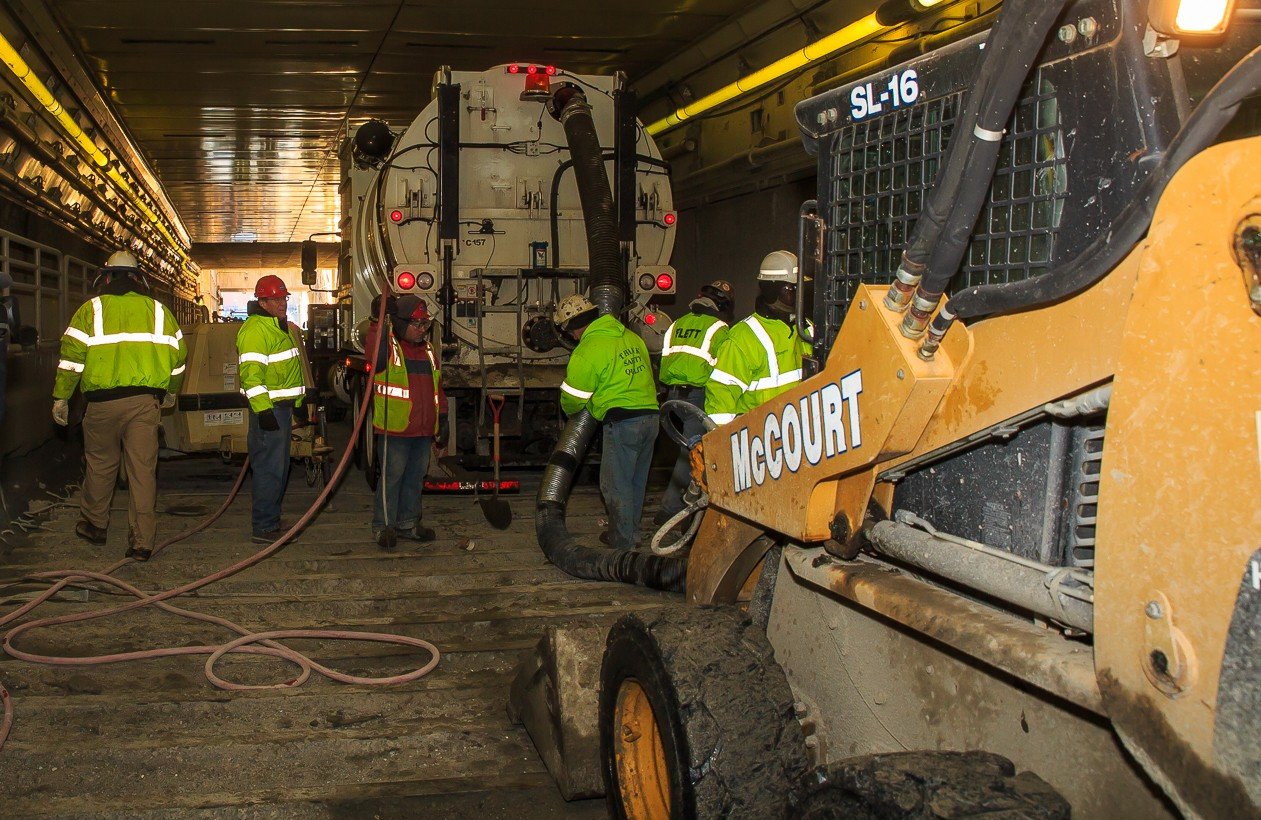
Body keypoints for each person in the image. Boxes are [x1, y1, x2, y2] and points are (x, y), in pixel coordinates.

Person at [51, 250, 187, 561]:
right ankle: (142, 542)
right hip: (144, 403)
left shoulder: (91, 310)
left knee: (101, 464)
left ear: (107, 275)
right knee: (142, 470)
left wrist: (61, 396)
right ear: (139, 278)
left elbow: (71, 360)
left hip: (101, 405)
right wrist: (171, 391)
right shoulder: (159, 311)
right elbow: (179, 358)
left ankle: (96, 525)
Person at [555, 294, 659, 550]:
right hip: (651, 418)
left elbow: (572, 398)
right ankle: (630, 536)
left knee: (615, 486)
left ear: (571, 328)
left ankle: (623, 549)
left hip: (623, 424)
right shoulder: (631, 337)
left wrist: (575, 411)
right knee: (635, 484)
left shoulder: (588, 349)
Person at [365, 295, 448, 550]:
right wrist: (378, 319)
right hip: (396, 429)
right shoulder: (389, 348)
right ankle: (384, 527)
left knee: (414, 478)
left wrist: (442, 418)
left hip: (422, 431)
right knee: (392, 479)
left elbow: (437, 388)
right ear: (400, 324)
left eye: (425, 325)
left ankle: (408, 524)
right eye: (417, 324)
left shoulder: (429, 351)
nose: (422, 330)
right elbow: (374, 355)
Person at [655, 279, 734, 524]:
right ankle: (673, 512)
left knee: (685, 451)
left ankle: (675, 509)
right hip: (697, 397)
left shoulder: (678, 323)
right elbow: (725, 368)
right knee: (694, 455)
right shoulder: (719, 328)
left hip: (674, 396)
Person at [236, 275, 305, 544]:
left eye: (284, 298)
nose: (281, 303)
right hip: (270, 411)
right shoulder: (256, 331)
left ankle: (270, 520)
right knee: (269, 468)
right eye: (275, 299)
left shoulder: (277, 327)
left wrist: (297, 405)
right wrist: (264, 412)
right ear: (262, 301)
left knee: (278, 468)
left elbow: (287, 373)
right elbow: (251, 376)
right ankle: (264, 526)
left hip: (280, 409)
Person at [706, 250, 811, 425]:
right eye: (793, 288)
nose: (800, 294)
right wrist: (725, 446)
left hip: (800, 435)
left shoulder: (806, 328)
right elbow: (721, 395)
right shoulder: (744, 337)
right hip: (759, 441)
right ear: (774, 289)